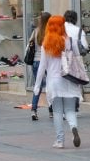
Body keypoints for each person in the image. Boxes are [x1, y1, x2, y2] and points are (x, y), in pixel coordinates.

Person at [32, 16, 82, 148]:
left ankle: (60, 140)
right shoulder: (69, 41)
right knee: (70, 110)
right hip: (69, 79)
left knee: (58, 112)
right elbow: (77, 57)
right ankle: (73, 128)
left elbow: (42, 67)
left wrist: (37, 86)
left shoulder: (46, 44)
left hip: (54, 81)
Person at [29, 11, 51, 121]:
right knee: (49, 86)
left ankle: (34, 109)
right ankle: (51, 110)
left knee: (37, 86)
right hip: (47, 62)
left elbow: (30, 45)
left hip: (35, 61)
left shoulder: (35, 31)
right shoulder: (50, 32)